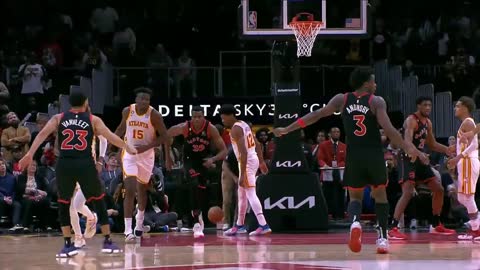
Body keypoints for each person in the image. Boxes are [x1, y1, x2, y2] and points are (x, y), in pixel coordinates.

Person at [272, 67, 427, 254]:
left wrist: (288, 128)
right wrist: (408, 147)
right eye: (373, 81)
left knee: (355, 196)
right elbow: (389, 129)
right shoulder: (376, 101)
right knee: (380, 195)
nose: (376, 84)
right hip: (373, 154)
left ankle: (355, 223)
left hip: (353, 154)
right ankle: (382, 238)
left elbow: (316, 115)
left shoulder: (341, 99)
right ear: (366, 83)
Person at [18, 90, 137, 257]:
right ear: (86, 102)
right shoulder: (92, 119)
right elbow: (110, 136)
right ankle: (107, 241)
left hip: (64, 164)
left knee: (64, 203)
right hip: (85, 164)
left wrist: (30, 154)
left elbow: (42, 135)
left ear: (69, 104)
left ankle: (67, 244)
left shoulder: (58, 118)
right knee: (98, 200)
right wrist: (127, 147)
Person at [388, 97, 455, 240]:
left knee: (439, 189)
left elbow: (432, 144)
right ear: (418, 106)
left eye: (430, 105)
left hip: (420, 158)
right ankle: (393, 228)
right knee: (408, 193)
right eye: (425, 105)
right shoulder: (411, 120)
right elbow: (407, 142)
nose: (428, 108)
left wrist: (447, 150)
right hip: (407, 158)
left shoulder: (428, 123)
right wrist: (419, 154)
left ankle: (436, 224)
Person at [114, 87, 168, 241]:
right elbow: (120, 129)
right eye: (142, 98)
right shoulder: (127, 111)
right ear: (136, 100)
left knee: (142, 190)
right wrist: (112, 145)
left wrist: (146, 147)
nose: (144, 101)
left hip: (146, 156)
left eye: (147, 99)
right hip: (129, 154)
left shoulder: (154, 115)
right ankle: (127, 230)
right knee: (130, 189)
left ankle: (139, 223)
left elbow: (164, 136)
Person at [165, 106, 227, 238]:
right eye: (194, 117)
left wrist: (213, 159)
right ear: (191, 117)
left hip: (204, 162)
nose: (197, 119)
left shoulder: (210, 128)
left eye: (199, 117)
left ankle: (198, 218)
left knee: (200, 189)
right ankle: (196, 223)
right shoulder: (184, 127)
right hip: (189, 161)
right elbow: (167, 135)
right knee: (194, 183)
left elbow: (224, 151)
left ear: (203, 117)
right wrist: (168, 158)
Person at [220, 104, 271, 236]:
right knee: (241, 194)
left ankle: (263, 224)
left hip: (246, 161)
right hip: (251, 159)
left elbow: (243, 153)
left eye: (223, 118)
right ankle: (239, 225)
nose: (223, 121)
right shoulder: (244, 124)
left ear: (230, 116)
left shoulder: (235, 130)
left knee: (250, 193)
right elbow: (257, 143)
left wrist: (242, 175)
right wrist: (261, 162)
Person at [447, 96, 480, 240]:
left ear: (465, 108)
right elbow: (466, 144)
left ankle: (476, 230)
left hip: (467, 162)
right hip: (465, 162)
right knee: (461, 197)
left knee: (467, 197)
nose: (455, 108)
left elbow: (474, 145)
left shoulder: (468, 122)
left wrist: (458, 157)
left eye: (458, 106)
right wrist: (456, 148)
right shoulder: (465, 123)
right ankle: (476, 225)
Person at [70, 135, 108, 248]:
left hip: (89, 169)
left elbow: (104, 139)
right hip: (72, 167)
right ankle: (78, 237)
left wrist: (101, 160)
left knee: (77, 205)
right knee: (72, 206)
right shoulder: (66, 121)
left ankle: (91, 217)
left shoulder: (92, 121)